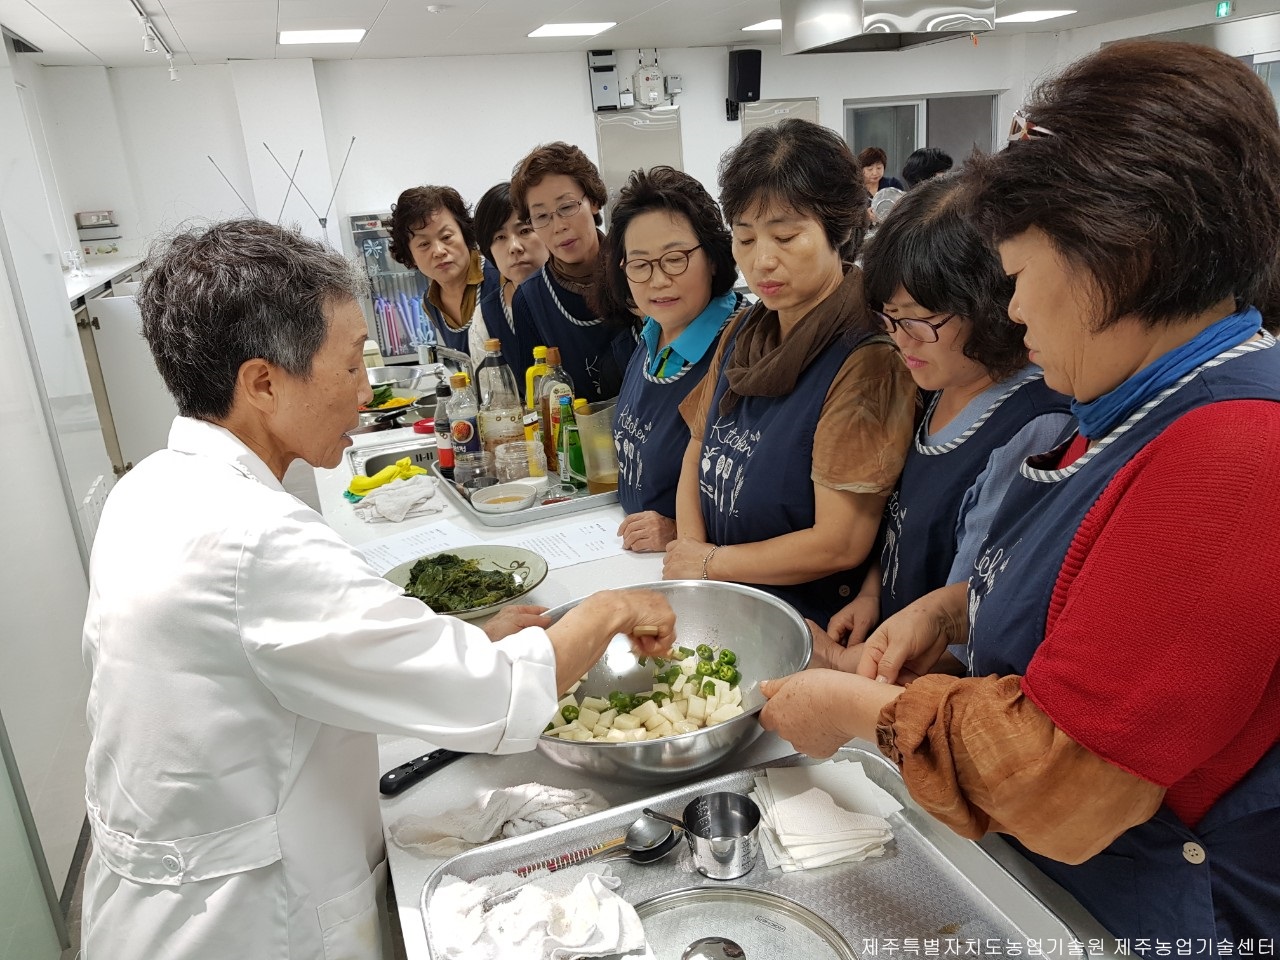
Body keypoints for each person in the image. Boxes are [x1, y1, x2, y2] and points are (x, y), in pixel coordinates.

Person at [759, 41, 1280, 942]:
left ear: (1126, 256)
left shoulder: (1236, 453)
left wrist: (851, 710)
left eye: (1022, 278)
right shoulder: (1124, 400)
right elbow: (1093, 583)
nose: (1018, 313)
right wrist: (953, 612)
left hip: (1156, 909)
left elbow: (1064, 782)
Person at [80, 219, 677, 960]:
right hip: (243, 922)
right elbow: (490, 696)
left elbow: (303, 648)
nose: (366, 392)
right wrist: (612, 606)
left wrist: (464, 637)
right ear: (262, 381)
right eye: (352, 365)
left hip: (167, 894)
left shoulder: (155, 485)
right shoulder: (254, 540)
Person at [663, 119, 916, 624]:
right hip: (723, 604)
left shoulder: (865, 358)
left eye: (785, 236)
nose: (762, 261)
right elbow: (698, 446)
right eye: (745, 237)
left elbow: (839, 542)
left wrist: (710, 564)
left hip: (804, 627)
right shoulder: (746, 330)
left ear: (839, 231)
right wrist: (692, 560)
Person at [823, 174, 1072, 654]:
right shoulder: (940, 380)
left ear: (994, 307)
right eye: (889, 316)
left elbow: (967, 627)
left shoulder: (1034, 427)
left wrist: (839, 665)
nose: (900, 337)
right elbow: (903, 519)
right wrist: (873, 592)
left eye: (918, 318)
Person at [603, 166, 743, 553]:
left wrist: (678, 528)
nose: (658, 280)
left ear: (713, 256)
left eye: (675, 258)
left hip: (696, 567)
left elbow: (754, 495)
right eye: (640, 264)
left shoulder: (741, 348)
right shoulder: (651, 335)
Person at [510, 142, 635, 403]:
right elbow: (534, 399)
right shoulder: (530, 300)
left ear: (594, 201)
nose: (558, 226)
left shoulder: (635, 268)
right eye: (541, 216)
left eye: (567, 207)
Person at [388, 184, 498, 366]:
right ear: (410, 256)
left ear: (464, 234)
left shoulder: (500, 277)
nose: (439, 251)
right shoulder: (430, 301)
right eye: (424, 244)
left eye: (446, 237)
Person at [473, 181, 550, 380]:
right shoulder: (486, 316)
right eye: (499, 237)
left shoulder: (577, 293)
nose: (514, 247)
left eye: (524, 231)